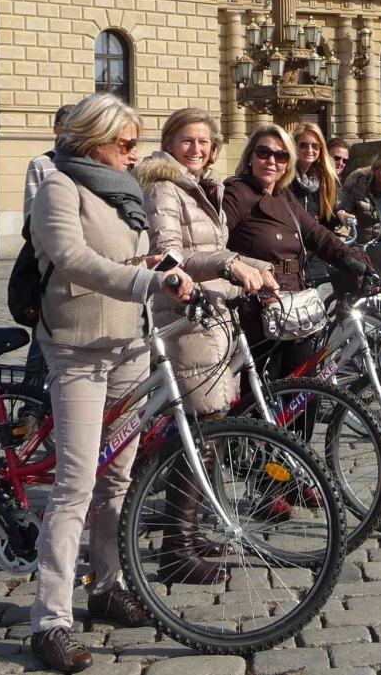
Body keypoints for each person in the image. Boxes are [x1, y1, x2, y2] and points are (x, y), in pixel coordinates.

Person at [26, 93, 194, 672]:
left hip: (129, 342)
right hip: (76, 346)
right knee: (74, 483)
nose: (134, 152)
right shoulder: (58, 185)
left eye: (135, 143)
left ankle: (107, 585)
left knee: (117, 475)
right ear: (94, 139)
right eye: (125, 143)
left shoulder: (124, 193)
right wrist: (143, 283)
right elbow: (71, 258)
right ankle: (50, 621)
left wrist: (182, 274)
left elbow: (145, 258)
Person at [134, 108, 278, 589]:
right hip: (183, 317)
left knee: (207, 430)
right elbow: (169, 252)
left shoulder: (205, 187)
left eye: (204, 142)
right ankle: (177, 547)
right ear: (170, 142)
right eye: (187, 140)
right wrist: (232, 263)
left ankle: (188, 532)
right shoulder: (162, 186)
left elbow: (215, 249)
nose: (196, 149)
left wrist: (259, 266)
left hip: (211, 315)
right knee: (196, 431)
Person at [223, 125, 372, 382]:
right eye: (263, 152)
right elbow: (217, 243)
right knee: (259, 395)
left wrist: (354, 261)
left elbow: (316, 234)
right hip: (257, 307)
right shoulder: (237, 192)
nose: (272, 161)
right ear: (250, 156)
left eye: (281, 156)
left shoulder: (283, 196)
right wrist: (244, 268)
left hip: (293, 304)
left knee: (305, 390)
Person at [22, 103, 75, 381]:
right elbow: (30, 220)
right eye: (66, 124)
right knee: (42, 340)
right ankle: (29, 407)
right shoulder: (42, 164)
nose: (71, 130)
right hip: (50, 266)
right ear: (55, 128)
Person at [289, 123, 342, 287]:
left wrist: (340, 215)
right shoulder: (284, 177)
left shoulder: (325, 179)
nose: (309, 150)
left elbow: (328, 219)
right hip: (289, 258)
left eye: (315, 146)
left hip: (314, 260)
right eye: (303, 145)